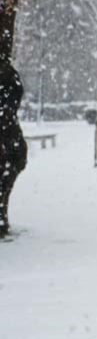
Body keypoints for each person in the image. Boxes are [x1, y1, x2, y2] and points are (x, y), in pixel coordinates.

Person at [0, 58, 27, 238]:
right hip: (8, 131)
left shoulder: (7, 73)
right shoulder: (7, 73)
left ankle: (1, 215)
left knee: (14, 161)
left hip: (8, 132)